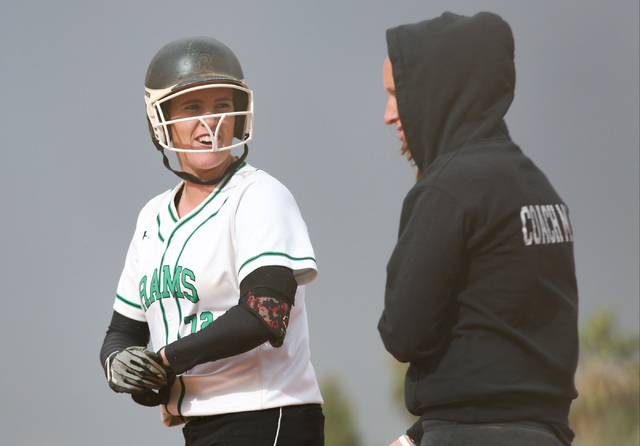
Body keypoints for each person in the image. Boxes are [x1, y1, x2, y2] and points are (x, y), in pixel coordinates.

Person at [99, 36, 325, 446]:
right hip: (200, 424)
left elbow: (265, 313)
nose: (212, 122)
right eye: (192, 107)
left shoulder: (259, 195)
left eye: (223, 106)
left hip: (267, 415)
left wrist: (165, 361)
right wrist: (121, 364)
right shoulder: (151, 217)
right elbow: (122, 332)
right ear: (160, 118)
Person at [378, 12, 579, 446]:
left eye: (398, 94)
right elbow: (510, 344)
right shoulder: (539, 189)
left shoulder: (448, 188)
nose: (389, 114)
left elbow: (402, 332)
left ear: (438, 90)